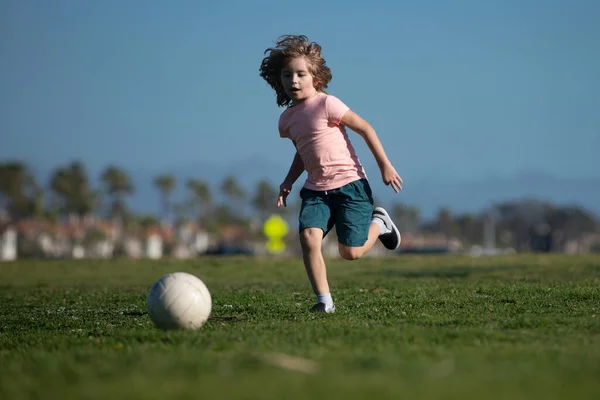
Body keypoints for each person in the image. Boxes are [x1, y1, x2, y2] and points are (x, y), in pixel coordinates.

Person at [259, 35, 403, 313]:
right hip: (315, 191)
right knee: (308, 238)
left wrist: (384, 164)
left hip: (351, 186)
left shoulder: (328, 104)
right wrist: (288, 181)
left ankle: (380, 223)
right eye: (287, 75)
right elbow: (304, 151)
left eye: (301, 74)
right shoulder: (286, 120)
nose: (294, 81)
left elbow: (365, 128)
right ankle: (324, 302)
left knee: (350, 253)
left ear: (315, 77)